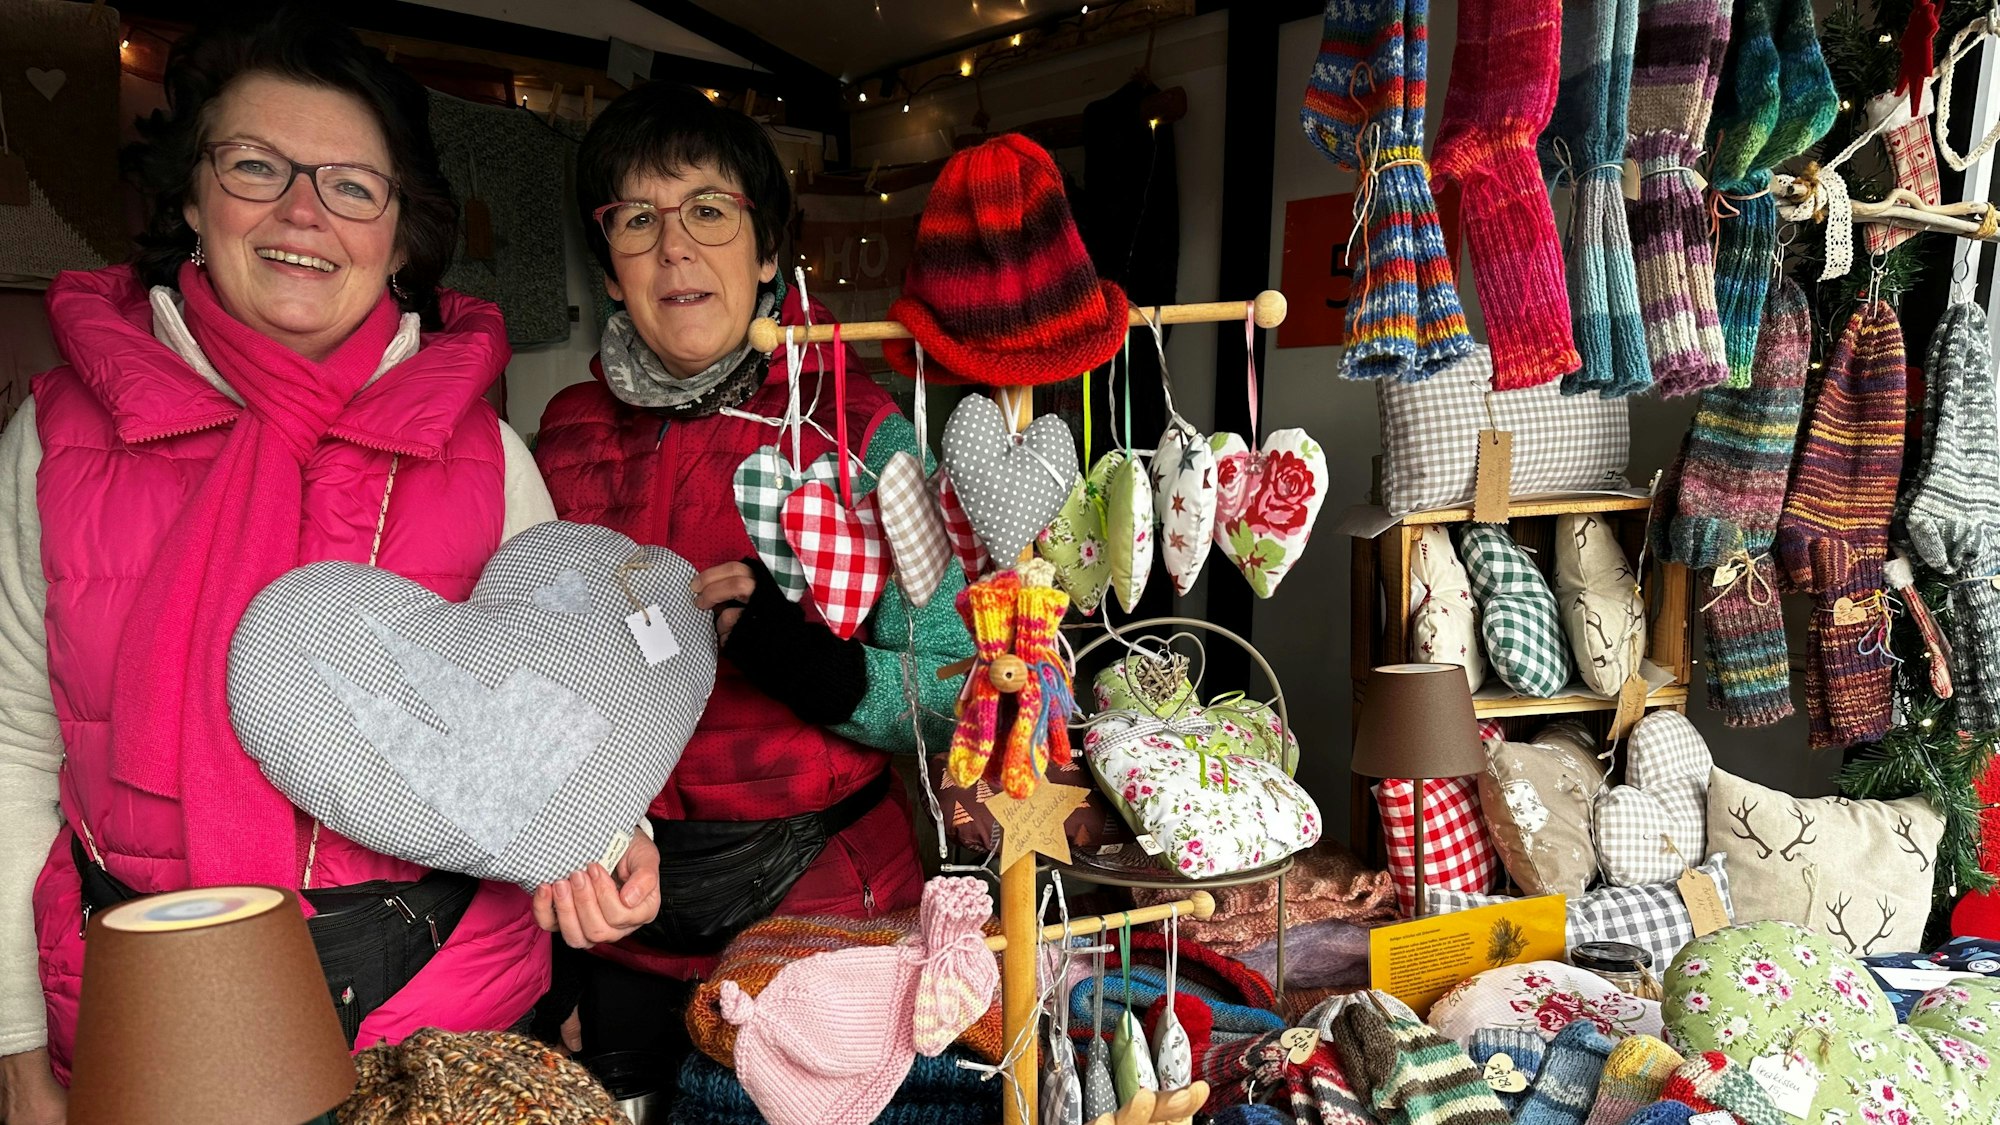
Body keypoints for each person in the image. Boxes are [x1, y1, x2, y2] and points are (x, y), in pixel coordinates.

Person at [0, 12, 658, 1121]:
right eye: (256, 166)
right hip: (148, 1030)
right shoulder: (54, 441)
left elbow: (545, 714)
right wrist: (16, 1047)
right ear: (192, 202)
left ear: (400, 236)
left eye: (353, 185)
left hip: (443, 1031)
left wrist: (609, 837)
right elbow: (14, 745)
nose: (303, 211)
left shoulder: (486, 458)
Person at [532, 82, 972, 1059]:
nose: (672, 246)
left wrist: (816, 669)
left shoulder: (870, 435)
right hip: (616, 914)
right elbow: (520, 676)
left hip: (823, 911)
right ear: (608, 265)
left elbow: (954, 674)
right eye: (636, 218)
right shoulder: (558, 436)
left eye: (707, 212)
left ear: (768, 249)